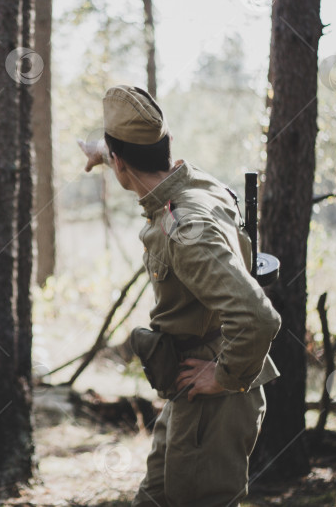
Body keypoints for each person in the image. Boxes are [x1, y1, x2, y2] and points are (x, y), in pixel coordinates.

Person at [80, 85, 281, 507]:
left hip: (211, 399)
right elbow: (140, 154)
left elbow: (259, 318)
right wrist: (102, 150)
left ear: (121, 163)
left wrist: (223, 375)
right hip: (189, 392)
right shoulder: (196, 183)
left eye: (112, 156)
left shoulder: (186, 231)